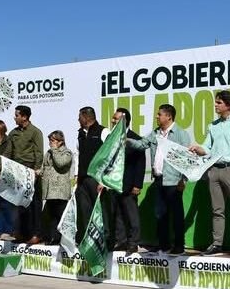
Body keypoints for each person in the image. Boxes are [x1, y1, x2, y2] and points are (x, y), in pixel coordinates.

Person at [189, 90, 230, 259]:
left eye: (219, 102)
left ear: (228, 105)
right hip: (214, 170)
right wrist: (198, 149)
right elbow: (207, 148)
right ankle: (217, 244)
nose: (215, 105)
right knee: (217, 210)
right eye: (216, 102)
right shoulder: (212, 125)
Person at [128, 103, 191, 254]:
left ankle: (179, 245)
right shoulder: (156, 133)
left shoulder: (180, 134)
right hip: (159, 179)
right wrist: (127, 140)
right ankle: (164, 245)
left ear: (168, 116)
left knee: (176, 214)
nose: (157, 117)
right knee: (160, 213)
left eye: (159, 114)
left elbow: (187, 159)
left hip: (174, 180)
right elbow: (142, 144)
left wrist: (183, 180)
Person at [0, 105, 44, 244]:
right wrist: (0, 168)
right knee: (19, 204)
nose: (15, 117)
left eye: (17, 115)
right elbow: (7, 152)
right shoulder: (13, 133)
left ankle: (36, 234)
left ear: (24, 117)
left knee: (34, 205)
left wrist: (36, 170)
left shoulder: (35, 132)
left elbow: (38, 152)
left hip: (30, 171)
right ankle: (21, 233)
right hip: (17, 171)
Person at [109, 108, 145, 254]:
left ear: (124, 121)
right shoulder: (111, 138)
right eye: (113, 118)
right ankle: (121, 241)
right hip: (114, 183)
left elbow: (140, 163)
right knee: (117, 214)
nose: (112, 121)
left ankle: (133, 242)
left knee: (131, 215)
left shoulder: (135, 138)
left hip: (129, 183)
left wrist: (137, 184)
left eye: (115, 119)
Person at [74, 106, 110, 243]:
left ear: (86, 117)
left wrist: (104, 180)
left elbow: (110, 155)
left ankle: (104, 240)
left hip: (97, 179)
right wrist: (77, 177)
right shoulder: (80, 134)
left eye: (80, 117)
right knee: (84, 210)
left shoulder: (103, 131)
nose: (78, 119)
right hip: (83, 180)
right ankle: (88, 239)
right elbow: (77, 155)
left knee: (101, 211)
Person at [41, 130, 74, 245]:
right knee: (50, 217)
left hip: (60, 191)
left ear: (60, 142)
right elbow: (44, 166)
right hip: (50, 191)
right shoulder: (49, 152)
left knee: (60, 216)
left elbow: (60, 163)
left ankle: (62, 239)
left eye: (53, 140)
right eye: (50, 140)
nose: (50, 143)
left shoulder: (67, 153)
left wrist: (54, 150)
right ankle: (52, 238)